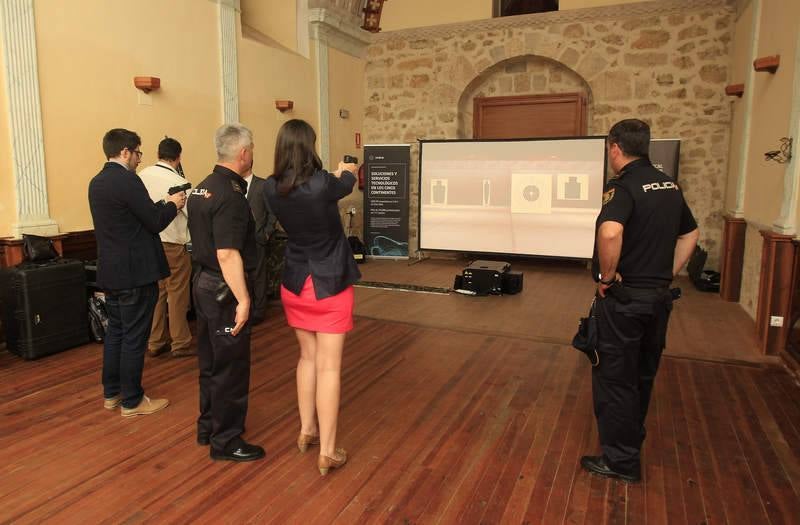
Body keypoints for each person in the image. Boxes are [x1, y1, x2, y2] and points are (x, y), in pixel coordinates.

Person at [581, 119, 699, 483]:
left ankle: (621, 462)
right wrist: (667, 274)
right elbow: (690, 234)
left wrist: (607, 277)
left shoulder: (623, 186)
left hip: (626, 301)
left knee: (615, 379)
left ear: (616, 148)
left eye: (609, 149)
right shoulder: (669, 185)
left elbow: (610, 232)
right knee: (642, 375)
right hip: (658, 300)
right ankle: (631, 439)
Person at [264, 119, 360, 476]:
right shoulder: (323, 184)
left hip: (295, 282)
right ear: (309, 146)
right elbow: (345, 182)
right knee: (329, 367)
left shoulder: (271, 187)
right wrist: (347, 169)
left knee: (307, 358)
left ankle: (307, 430)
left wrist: (335, 174)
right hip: (329, 283)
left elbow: (311, 187)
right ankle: (328, 452)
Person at [88, 128, 186, 417]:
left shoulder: (97, 182)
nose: (139, 159)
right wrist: (173, 205)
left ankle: (112, 393)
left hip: (111, 271)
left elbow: (132, 218)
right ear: (125, 152)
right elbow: (154, 222)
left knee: (116, 334)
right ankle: (132, 401)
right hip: (135, 273)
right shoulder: (128, 180)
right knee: (134, 338)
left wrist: (161, 204)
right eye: (137, 153)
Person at [187, 123, 264, 462]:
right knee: (231, 367)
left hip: (203, 284)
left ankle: (208, 427)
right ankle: (227, 441)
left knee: (210, 362)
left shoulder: (201, 188)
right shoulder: (231, 195)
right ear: (244, 153)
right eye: (252, 149)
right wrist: (244, 300)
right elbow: (228, 253)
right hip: (223, 289)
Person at [139, 137, 194, 358]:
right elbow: (190, 214)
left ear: (158, 154)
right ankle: (180, 342)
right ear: (178, 157)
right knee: (177, 293)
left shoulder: (141, 176)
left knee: (157, 293)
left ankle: (155, 341)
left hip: (149, 243)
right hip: (173, 244)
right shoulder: (179, 181)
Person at [243, 164, 277, 324]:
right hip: (238, 240)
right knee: (242, 277)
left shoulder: (262, 185)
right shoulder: (233, 185)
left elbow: (272, 212)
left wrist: (267, 232)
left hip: (258, 238)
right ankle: (246, 309)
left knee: (258, 276)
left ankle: (259, 311)